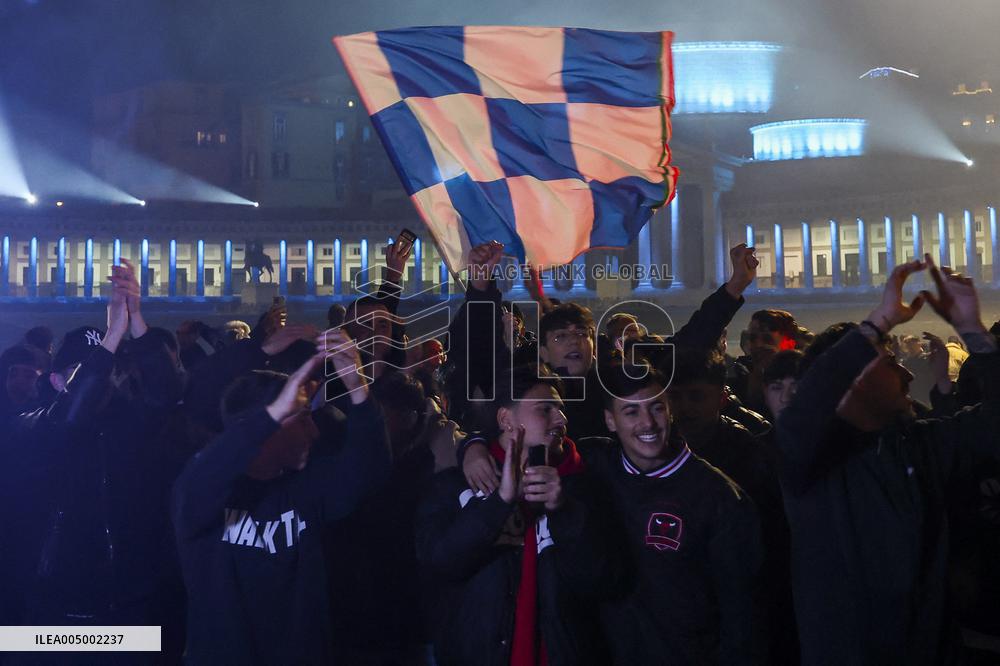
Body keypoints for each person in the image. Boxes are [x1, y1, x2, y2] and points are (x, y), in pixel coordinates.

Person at [776, 256, 1000, 665]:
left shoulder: (920, 444)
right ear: (854, 377)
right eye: (891, 361)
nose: (909, 375)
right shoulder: (808, 462)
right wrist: (877, 323)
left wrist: (972, 330)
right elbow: (809, 404)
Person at [172, 328, 391, 664]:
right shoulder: (205, 493)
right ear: (268, 429)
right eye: (301, 420)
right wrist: (272, 415)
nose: (314, 431)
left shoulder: (304, 485)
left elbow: (368, 474)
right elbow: (201, 475)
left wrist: (359, 391)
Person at [3, 259, 185, 639]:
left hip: (130, 599)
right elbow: (74, 413)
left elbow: (166, 395)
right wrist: (111, 337)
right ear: (54, 379)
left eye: (106, 367)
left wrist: (136, 324)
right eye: (82, 370)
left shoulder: (130, 422)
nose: (103, 378)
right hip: (53, 601)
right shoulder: (34, 422)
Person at [447, 240, 757, 442]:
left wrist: (733, 289)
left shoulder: (619, 381)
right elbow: (480, 347)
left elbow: (686, 344)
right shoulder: (524, 386)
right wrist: (480, 285)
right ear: (542, 350)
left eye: (582, 334)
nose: (574, 343)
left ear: (595, 344)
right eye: (561, 336)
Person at [416, 364, 613, 666]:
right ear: (506, 419)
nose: (561, 418)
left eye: (560, 409)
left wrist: (564, 511)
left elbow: (604, 580)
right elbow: (441, 564)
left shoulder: (584, 483)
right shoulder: (455, 485)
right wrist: (500, 501)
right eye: (545, 409)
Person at [579, 358, 765, 665]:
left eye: (656, 407)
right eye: (631, 411)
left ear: (670, 410)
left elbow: (744, 611)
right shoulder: (594, 467)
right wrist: (471, 447)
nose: (648, 423)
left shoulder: (718, 496)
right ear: (610, 421)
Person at [326, 372, 463, 665]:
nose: (373, 425)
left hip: (409, 624)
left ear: (409, 417)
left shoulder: (432, 467)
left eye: (381, 415)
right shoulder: (349, 462)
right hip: (350, 623)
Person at [730, 309, 811, 414]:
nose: (758, 345)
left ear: (789, 343)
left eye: (767, 339)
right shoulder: (737, 374)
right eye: (753, 338)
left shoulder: (807, 376)